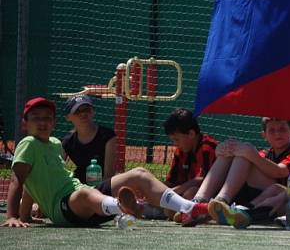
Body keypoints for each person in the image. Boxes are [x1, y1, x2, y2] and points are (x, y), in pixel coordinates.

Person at [1, 97, 203, 228]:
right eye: (36, 118)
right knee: (85, 193)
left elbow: (32, 182)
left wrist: (26, 215)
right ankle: (123, 206)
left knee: (139, 173)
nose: (43, 122)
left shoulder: (55, 143)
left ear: (54, 122)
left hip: (87, 197)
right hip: (65, 208)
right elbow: (18, 180)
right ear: (24, 124)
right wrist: (13, 215)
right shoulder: (28, 143)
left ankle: (191, 207)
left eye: (47, 118)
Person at [186, 117, 290, 226]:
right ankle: (198, 202)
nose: (277, 133)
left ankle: (221, 201)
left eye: (282, 129)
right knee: (234, 154)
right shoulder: (265, 153)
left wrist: (248, 153)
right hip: (255, 192)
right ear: (264, 135)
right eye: (272, 130)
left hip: (283, 195)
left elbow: (281, 172)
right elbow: (253, 161)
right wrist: (222, 152)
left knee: (245, 155)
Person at [163, 107, 218, 201]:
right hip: (184, 194)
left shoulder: (207, 148)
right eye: (172, 140)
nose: (175, 144)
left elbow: (205, 180)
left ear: (191, 134)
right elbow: (171, 181)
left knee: (190, 193)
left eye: (177, 139)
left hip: (210, 194)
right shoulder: (180, 151)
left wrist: (173, 192)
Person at [61, 95, 117, 184]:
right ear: (68, 117)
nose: (83, 114)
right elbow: (58, 170)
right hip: (78, 186)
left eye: (86, 109)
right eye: (77, 111)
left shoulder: (107, 136)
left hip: (102, 187)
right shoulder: (68, 141)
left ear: (93, 112)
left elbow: (108, 176)